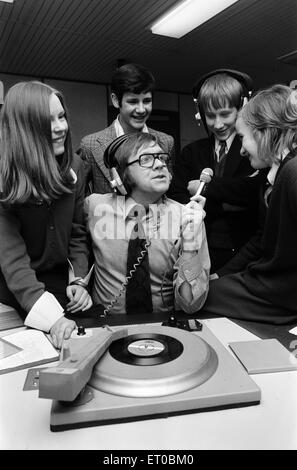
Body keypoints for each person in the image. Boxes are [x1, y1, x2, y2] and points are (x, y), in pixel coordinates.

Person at [0, 81, 92, 348]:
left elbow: (76, 233)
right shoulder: (5, 177)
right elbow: (12, 261)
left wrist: (78, 281)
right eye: (47, 121)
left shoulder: (75, 166)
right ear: (24, 129)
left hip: (59, 285)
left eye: (61, 116)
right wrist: (53, 320)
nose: (61, 127)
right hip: (13, 291)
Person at [201, 84, 297, 324]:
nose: (241, 150)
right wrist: (220, 275)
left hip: (280, 295)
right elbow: (262, 240)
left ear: (265, 132)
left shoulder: (293, 172)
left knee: (196, 298)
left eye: (243, 138)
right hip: (272, 288)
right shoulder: (275, 176)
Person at [85, 132, 210, 316]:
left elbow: (190, 305)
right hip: (104, 326)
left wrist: (190, 241)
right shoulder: (94, 207)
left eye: (161, 158)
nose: (160, 164)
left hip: (164, 329)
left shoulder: (188, 217)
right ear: (119, 175)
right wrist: (77, 282)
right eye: (146, 159)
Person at [169, 69, 263, 273]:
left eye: (225, 114)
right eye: (210, 116)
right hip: (199, 250)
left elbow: (253, 195)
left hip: (245, 254)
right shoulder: (191, 152)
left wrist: (205, 192)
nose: (218, 124)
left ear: (242, 108)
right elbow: (176, 198)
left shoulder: (254, 150)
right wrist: (227, 204)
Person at [79, 63, 175, 194]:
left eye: (146, 101)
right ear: (115, 100)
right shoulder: (90, 145)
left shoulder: (166, 142)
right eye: (133, 102)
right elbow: (81, 199)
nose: (141, 109)